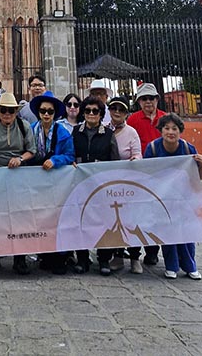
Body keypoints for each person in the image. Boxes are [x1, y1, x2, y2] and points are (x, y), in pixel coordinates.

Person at [0, 92, 36, 275]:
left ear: (16, 112)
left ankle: (19, 258)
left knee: (19, 217)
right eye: (4, 110)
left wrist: (20, 158)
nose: (7, 114)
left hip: (18, 175)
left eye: (11, 111)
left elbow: (32, 150)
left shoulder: (24, 126)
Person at [144, 113, 202, 280]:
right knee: (167, 231)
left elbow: (198, 176)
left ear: (180, 131)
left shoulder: (187, 148)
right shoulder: (153, 148)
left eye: (174, 128)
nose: (170, 132)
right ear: (160, 131)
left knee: (186, 230)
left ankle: (190, 265)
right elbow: (146, 172)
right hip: (162, 197)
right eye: (166, 128)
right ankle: (171, 266)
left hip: (184, 197)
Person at [72, 95, 119, 276]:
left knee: (103, 221)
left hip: (101, 186)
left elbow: (114, 160)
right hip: (80, 185)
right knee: (81, 221)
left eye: (95, 111)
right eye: (88, 111)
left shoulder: (108, 134)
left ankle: (104, 259)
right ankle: (82, 259)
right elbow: (70, 153)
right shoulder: (76, 131)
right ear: (83, 113)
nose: (91, 114)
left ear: (101, 114)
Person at [29, 92, 75, 275]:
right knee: (41, 218)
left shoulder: (62, 132)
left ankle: (60, 257)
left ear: (55, 113)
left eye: (50, 111)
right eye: (43, 111)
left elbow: (69, 155)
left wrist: (55, 160)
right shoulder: (31, 130)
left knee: (57, 218)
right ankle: (44, 255)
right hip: (37, 183)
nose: (46, 114)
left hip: (57, 183)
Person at [127, 82, 166, 265]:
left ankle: (152, 251)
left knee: (155, 215)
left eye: (151, 98)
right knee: (135, 214)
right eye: (144, 99)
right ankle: (134, 252)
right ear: (139, 102)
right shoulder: (132, 120)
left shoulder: (166, 119)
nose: (148, 102)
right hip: (138, 174)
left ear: (157, 100)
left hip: (160, 175)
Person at [106, 96, 143, 275]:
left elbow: (137, 154)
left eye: (121, 110)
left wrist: (133, 162)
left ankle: (135, 257)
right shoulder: (105, 130)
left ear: (126, 113)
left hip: (127, 181)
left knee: (130, 219)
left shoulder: (131, 132)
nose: (117, 112)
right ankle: (118, 255)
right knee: (114, 220)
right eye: (114, 109)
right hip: (110, 182)